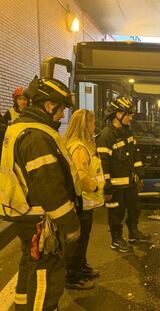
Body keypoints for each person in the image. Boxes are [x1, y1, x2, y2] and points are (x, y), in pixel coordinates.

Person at [0, 76, 81, 310]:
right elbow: (49, 187)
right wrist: (69, 224)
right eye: (61, 108)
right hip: (39, 217)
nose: (62, 114)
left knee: (30, 263)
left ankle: (22, 306)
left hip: (23, 213)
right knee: (46, 272)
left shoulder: (20, 128)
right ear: (47, 105)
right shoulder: (37, 137)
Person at [96, 97, 150, 253]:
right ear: (117, 114)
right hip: (115, 186)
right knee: (116, 213)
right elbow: (103, 163)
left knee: (135, 208)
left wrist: (139, 173)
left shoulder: (127, 132)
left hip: (130, 183)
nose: (130, 118)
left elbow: (135, 154)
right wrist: (106, 185)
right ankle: (116, 239)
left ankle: (133, 233)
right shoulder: (106, 136)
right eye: (128, 114)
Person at [64, 109, 104, 289]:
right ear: (85, 125)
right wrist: (95, 186)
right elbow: (82, 176)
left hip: (85, 201)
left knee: (84, 237)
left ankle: (81, 266)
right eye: (92, 123)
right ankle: (73, 276)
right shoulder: (79, 148)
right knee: (79, 240)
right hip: (82, 200)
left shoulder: (82, 144)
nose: (94, 126)